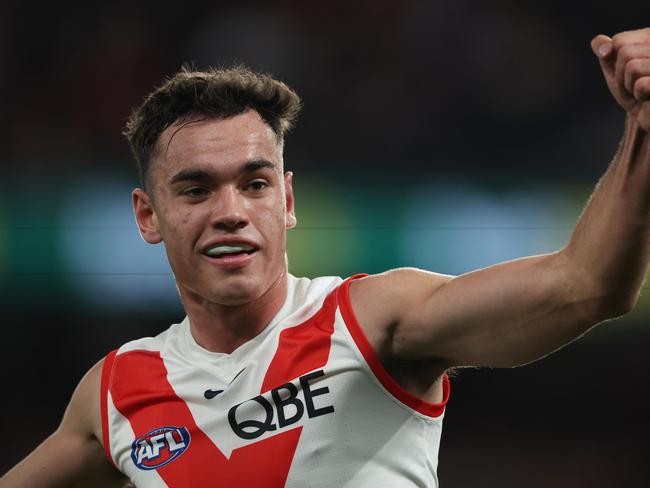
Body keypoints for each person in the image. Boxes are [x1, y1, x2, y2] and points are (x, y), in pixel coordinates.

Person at [2, 28, 650, 487]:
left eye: (254, 184)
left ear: (286, 201)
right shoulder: (115, 392)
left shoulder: (371, 320)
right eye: (196, 188)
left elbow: (587, 286)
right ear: (148, 215)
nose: (230, 210)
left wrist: (643, 127)